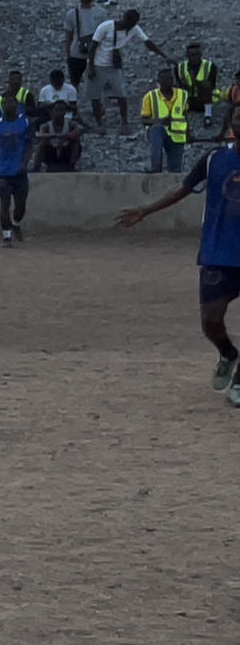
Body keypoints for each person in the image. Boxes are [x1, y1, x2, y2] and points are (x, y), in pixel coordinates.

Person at [118, 136, 240, 404]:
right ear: (231, 123)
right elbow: (182, 189)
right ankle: (228, 354)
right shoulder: (214, 158)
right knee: (210, 321)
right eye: (238, 116)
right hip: (218, 251)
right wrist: (146, 210)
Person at [90, 8, 164, 131]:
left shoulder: (133, 29)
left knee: (121, 94)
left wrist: (164, 56)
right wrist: (91, 67)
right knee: (95, 96)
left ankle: (125, 122)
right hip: (99, 64)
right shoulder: (105, 27)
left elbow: (148, 43)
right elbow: (93, 46)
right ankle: (99, 123)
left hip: (114, 66)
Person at [0, 94, 34, 245]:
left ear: (16, 105)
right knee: (4, 204)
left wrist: (25, 163)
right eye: (6, 103)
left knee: (20, 205)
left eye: (11, 103)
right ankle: (6, 236)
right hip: (2, 171)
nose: (9, 106)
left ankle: (16, 223)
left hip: (19, 170)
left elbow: (29, 145)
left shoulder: (25, 123)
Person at [142, 69, 190, 175]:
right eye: (165, 79)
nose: (168, 81)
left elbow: (185, 115)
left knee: (175, 169)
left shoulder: (182, 95)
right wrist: (159, 121)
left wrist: (189, 133)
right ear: (159, 80)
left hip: (178, 134)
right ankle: (156, 165)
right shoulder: (150, 96)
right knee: (156, 130)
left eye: (170, 79)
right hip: (160, 131)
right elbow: (144, 120)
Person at [178, 43, 222, 142]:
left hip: (204, 99)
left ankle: (208, 115)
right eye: (192, 55)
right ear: (187, 56)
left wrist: (196, 81)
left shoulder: (210, 66)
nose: (195, 58)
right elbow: (178, 85)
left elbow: (211, 86)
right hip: (188, 98)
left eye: (197, 54)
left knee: (206, 89)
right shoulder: (180, 67)